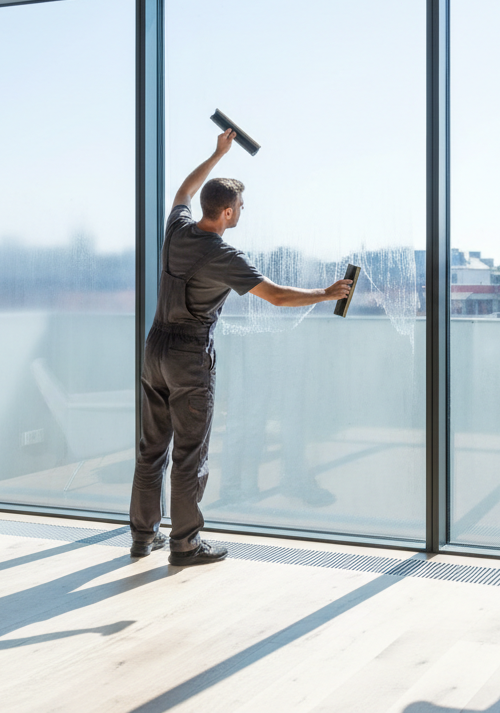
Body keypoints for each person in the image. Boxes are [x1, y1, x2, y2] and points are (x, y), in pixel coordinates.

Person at [129, 129, 353, 566]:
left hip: (153, 349)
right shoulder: (223, 256)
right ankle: (185, 545)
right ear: (227, 212)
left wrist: (216, 155)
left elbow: (182, 191)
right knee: (190, 454)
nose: (242, 213)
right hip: (188, 358)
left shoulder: (176, 231)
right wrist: (327, 294)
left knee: (151, 449)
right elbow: (277, 296)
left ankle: (142, 537)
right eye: (241, 209)